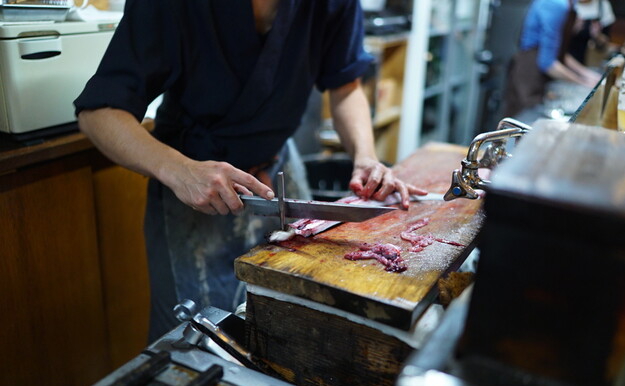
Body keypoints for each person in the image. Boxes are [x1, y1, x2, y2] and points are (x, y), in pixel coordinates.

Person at [74, 0, 427, 341]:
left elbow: (345, 87)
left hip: (279, 172)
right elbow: (99, 113)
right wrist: (179, 170)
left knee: (297, 321)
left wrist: (365, 156)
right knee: (201, 339)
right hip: (196, 186)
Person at [504, 0, 602, 117]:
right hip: (528, 71)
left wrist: (589, 75)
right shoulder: (556, 4)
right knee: (521, 119)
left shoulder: (570, 5)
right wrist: (583, 82)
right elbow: (547, 63)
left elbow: (559, 53)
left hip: (537, 71)